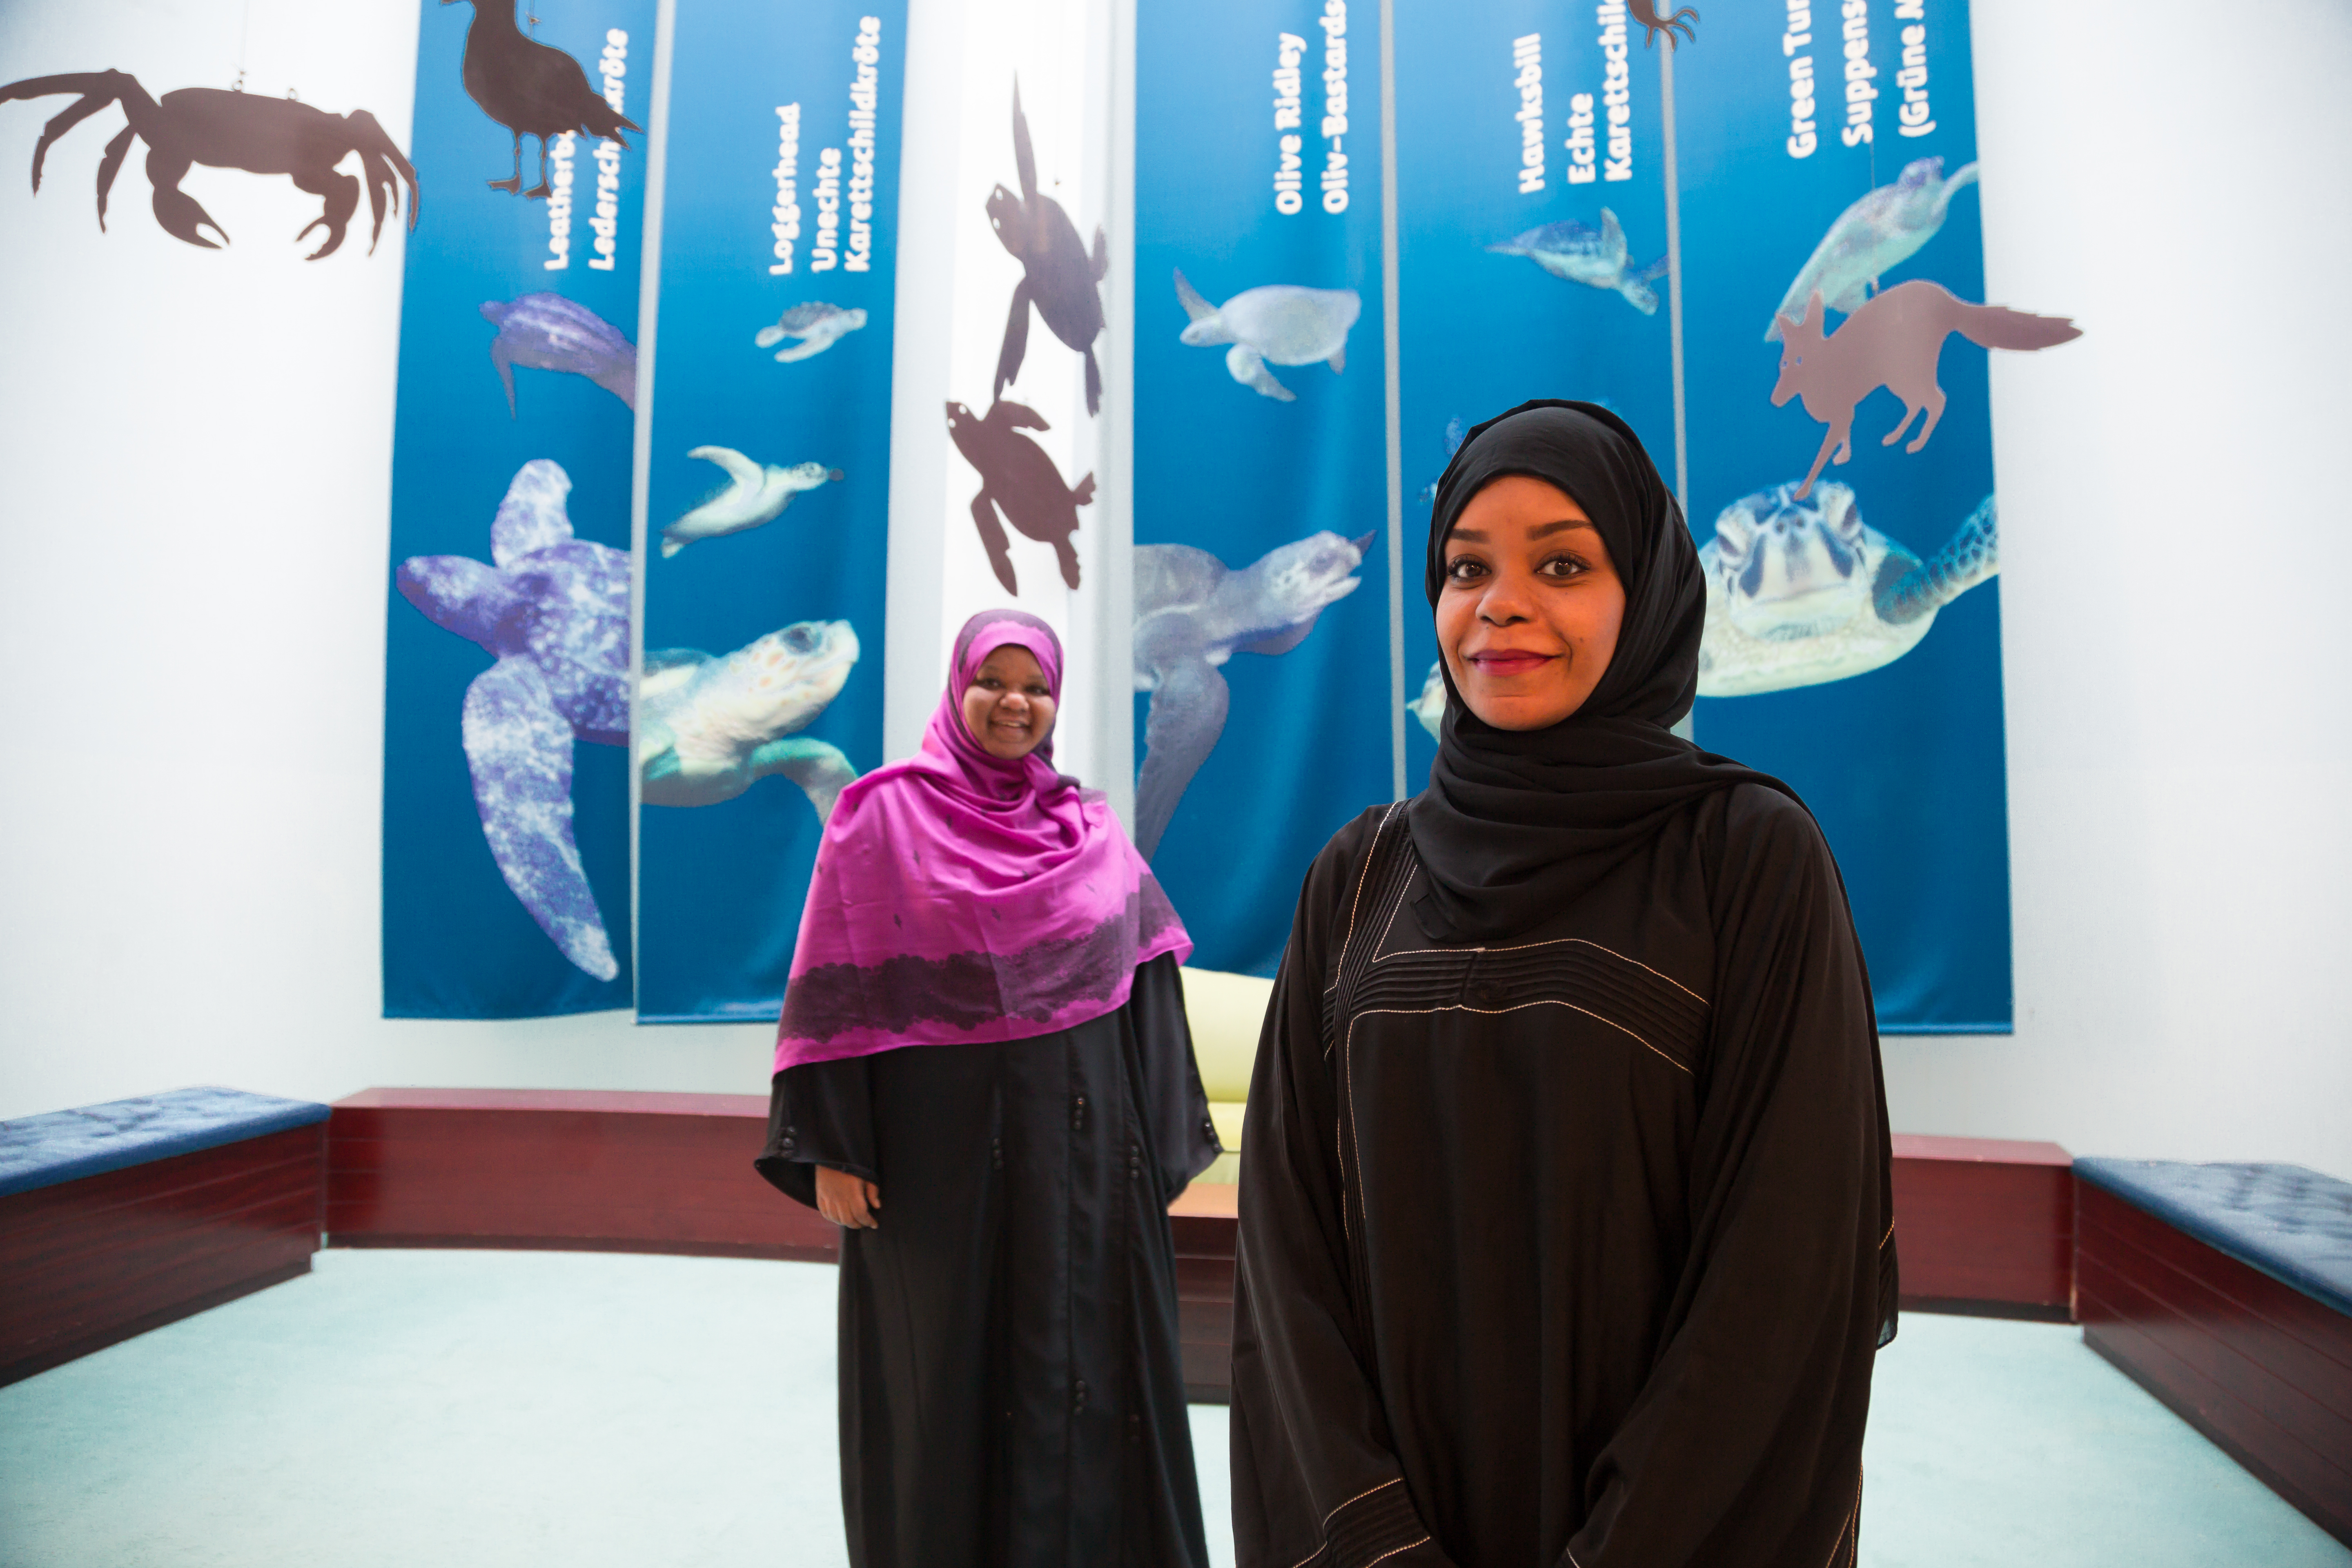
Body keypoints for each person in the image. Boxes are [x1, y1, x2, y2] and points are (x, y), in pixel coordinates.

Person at [1229, 402, 1898, 1568]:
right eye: (1464, 568)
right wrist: (1372, 1542)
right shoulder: (1359, 875)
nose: (1499, 603)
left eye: (1563, 564)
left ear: (1644, 592)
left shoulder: (1746, 856)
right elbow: (1288, 1256)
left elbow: (1784, 1273)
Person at [756, 608, 1219, 1568]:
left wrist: (1154, 1143)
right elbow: (831, 973)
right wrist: (831, 1142)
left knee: (1092, 1371)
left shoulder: (1088, 827)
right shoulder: (880, 814)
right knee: (949, 1369)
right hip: (939, 1166)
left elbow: (1150, 977)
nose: (1016, 703)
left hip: (1088, 1159)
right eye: (994, 681)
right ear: (957, 685)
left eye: (1036, 687)